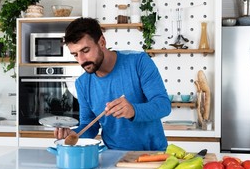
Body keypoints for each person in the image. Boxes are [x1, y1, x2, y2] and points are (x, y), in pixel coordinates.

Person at [54, 17, 171, 151]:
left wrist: (133, 110)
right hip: (112, 156)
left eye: (85, 51)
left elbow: (163, 105)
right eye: (75, 54)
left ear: (102, 42)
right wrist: (75, 134)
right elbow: (89, 125)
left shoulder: (139, 62)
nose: (81, 60)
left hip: (153, 154)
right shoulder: (82, 83)